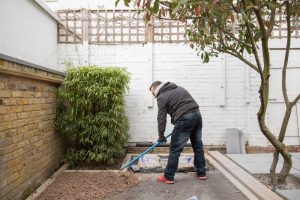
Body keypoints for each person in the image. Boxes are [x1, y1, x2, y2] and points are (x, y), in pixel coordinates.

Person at [149, 81, 207, 184]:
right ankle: (201, 173)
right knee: (198, 145)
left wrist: (161, 135)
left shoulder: (162, 97)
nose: (154, 96)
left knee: (175, 149)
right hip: (197, 115)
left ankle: (168, 176)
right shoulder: (179, 88)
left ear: (155, 87)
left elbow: (161, 118)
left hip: (184, 119)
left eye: (153, 93)